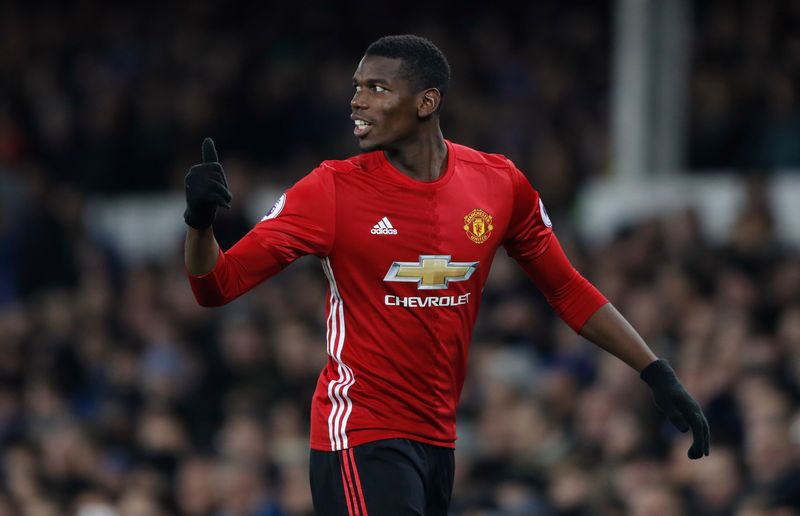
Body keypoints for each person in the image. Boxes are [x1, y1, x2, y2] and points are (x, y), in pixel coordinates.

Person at [183, 35, 710, 515]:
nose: (357, 101)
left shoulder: (499, 184)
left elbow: (567, 289)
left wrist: (654, 370)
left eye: (377, 88)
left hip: (438, 439)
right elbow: (217, 286)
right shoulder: (331, 190)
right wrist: (201, 225)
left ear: (426, 102)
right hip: (360, 432)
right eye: (357, 87)